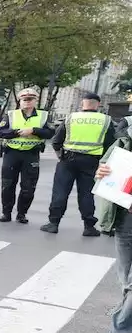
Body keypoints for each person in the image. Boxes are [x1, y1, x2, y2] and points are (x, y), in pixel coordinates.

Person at [88, 125, 132, 333]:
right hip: (125, 217)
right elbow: (105, 167)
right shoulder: (126, 139)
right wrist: (103, 171)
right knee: (126, 283)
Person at [44, 93, 113, 237]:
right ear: (97, 105)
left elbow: (56, 141)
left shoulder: (71, 118)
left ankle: (53, 224)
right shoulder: (106, 120)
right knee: (86, 194)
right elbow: (110, 145)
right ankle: (89, 227)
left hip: (68, 160)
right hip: (92, 162)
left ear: (83, 104)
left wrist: (61, 156)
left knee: (60, 192)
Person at [0, 87, 55, 224]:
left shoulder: (43, 116)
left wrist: (33, 130)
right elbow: (0, 131)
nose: (27, 102)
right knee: (8, 185)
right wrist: (16, 132)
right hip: (12, 153)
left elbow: (50, 133)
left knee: (28, 187)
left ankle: (22, 213)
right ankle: (6, 213)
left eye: (30, 99)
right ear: (20, 101)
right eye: (24, 100)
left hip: (31, 154)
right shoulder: (11, 115)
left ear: (35, 101)